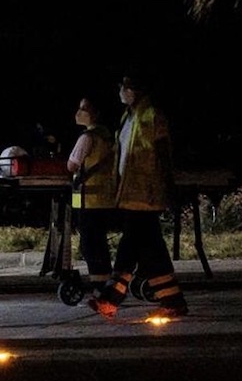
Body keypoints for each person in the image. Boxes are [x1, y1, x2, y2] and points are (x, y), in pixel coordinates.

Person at [90, 74, 189, 320]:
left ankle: (111, 296)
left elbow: (164, 156)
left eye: (125, 86)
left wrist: (169, 188)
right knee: (151, 246)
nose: (121, 90)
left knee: (131, 243)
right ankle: (173, 300)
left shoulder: (153, 116)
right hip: (129, 193)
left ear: (137, 89)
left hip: (147, 193)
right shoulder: (127, 118)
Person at [66, 97, 117, 295]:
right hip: (104, 198)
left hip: (89, 199)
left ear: (93, 113)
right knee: (99, 242)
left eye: (83, 109)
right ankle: (105, 280)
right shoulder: (108, 136)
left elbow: (72, 165)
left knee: (90, 243)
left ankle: (100, 284)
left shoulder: (87, 137)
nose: (78, 113)